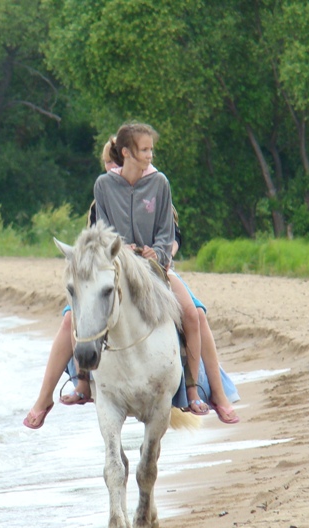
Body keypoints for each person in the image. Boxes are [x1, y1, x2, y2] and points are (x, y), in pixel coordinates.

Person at [23, 127, 239, 427]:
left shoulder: (159, 184)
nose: (114, 171)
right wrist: (117, 250)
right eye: (110, 168)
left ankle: (207, 392)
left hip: (155, 267)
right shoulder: (103, 190)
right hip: (114, 268)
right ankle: (59, 391)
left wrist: (159, 255)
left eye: (115, 165)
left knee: (195, 314)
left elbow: (171, 235)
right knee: (71, 319)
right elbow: (97, 236)